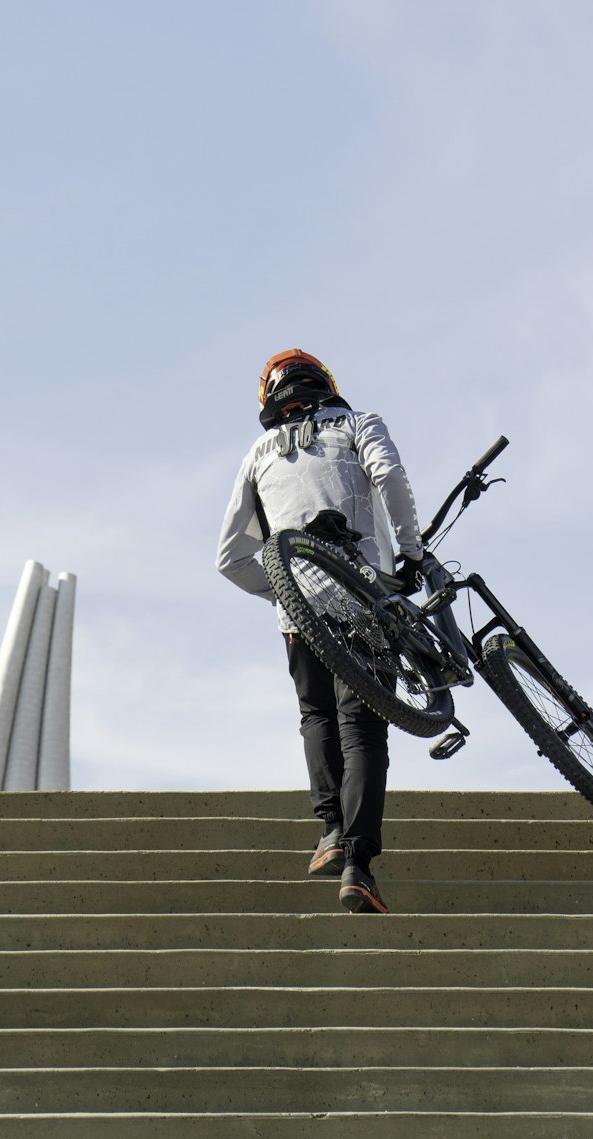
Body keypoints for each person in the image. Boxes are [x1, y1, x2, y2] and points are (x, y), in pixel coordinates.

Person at [216, 349, 424, 914]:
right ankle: (358, 863)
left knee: (317, 717)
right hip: (363, 599)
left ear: (269, 401)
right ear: (327, 384)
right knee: (362, 728)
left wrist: (283, 590)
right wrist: (411, 550)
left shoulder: (257, 454)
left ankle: (329, 832)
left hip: (297, 614)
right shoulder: (359, 423)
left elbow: (230, 558)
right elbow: (390, 477)